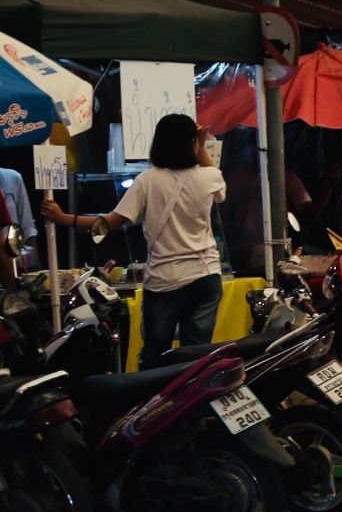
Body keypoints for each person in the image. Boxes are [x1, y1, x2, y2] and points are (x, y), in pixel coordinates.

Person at [44, 113, 226, 365]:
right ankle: (190, 402)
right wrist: (201, 145)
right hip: (206, 276)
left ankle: (156, 402)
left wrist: (63, 218)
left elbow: (109, 224)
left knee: (155, 355)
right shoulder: (209, 177)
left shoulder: (147, 181)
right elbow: (215, 183)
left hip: (165, 281)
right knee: (196, 355)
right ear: (192, 143)